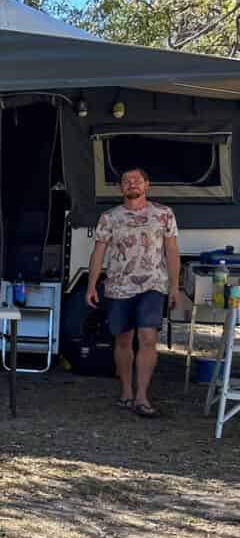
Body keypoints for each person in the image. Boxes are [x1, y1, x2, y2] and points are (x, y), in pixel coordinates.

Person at [86, 167, 183, 418]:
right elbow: (98, 252)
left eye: (137, 180)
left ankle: (142, 396)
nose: (132, 184)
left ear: (147, 185)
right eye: (126, 181)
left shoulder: (163, 214)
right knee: (123, 340)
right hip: (119, 285)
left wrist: (174, 286)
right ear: (121, 187)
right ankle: (126, 392)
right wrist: (91, 284)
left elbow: (172, 251)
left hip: (153, 284)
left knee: (148, 336)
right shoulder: (109, 217)